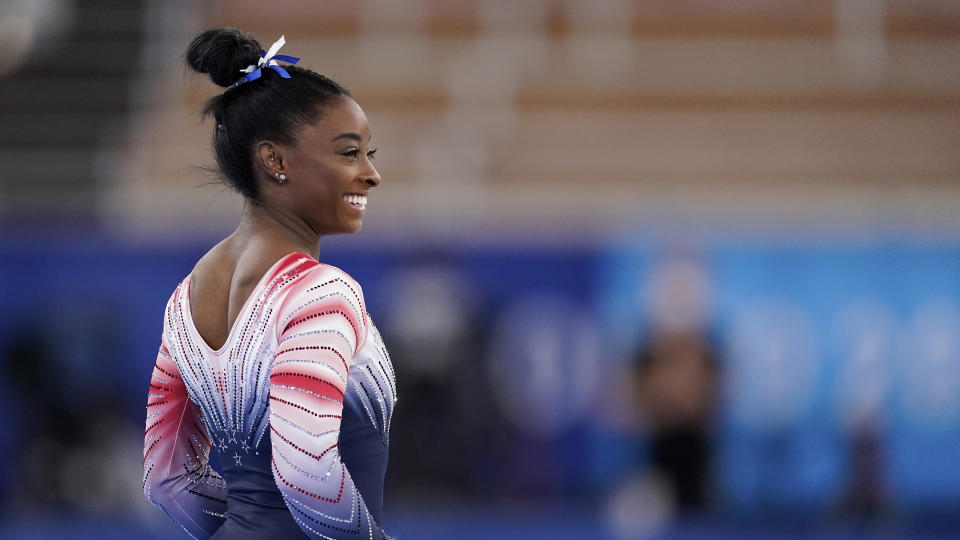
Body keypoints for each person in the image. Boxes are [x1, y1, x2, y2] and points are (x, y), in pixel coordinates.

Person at [141, 27, 396, 539]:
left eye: (371, 154)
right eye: (349, 153)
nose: (371, 175)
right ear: (275, 160)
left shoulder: (184, 298)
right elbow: (306, 472)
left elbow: (165, 478)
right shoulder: (320, 294)